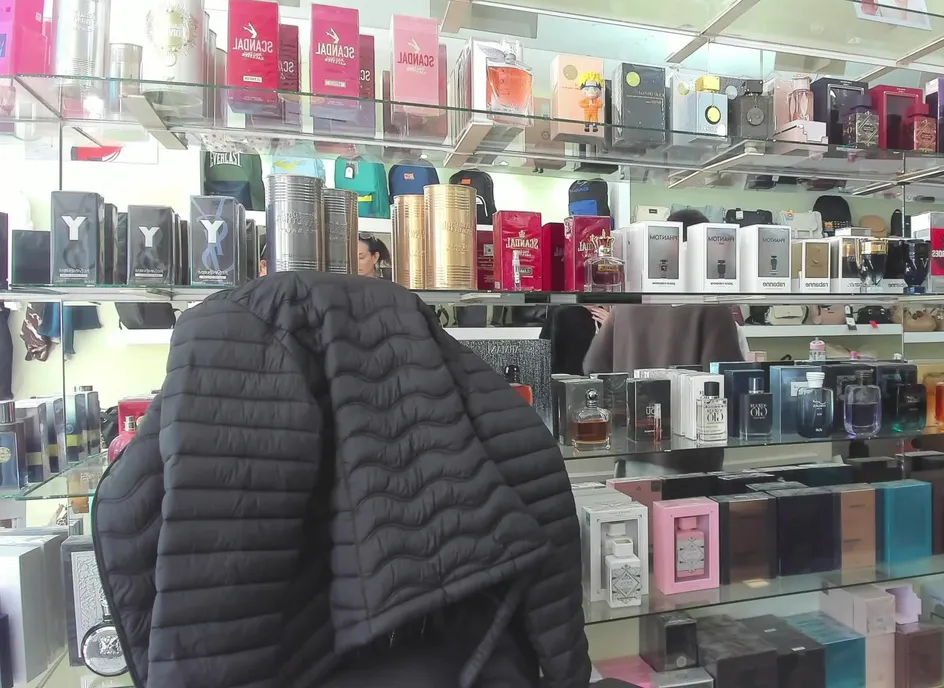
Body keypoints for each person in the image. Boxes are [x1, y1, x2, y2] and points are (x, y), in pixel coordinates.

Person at [93, 272, 590, 686]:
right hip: (457, 651)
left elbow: (131, 515)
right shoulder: (429, 345)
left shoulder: (218, 334)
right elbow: (537, 477)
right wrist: (567, 670)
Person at [583, 208, 745, 476]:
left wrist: (626, 413)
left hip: (631, 452)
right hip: (688, 459)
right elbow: (727, 384)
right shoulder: (712, 307)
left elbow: (593, 366)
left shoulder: (628, 303)